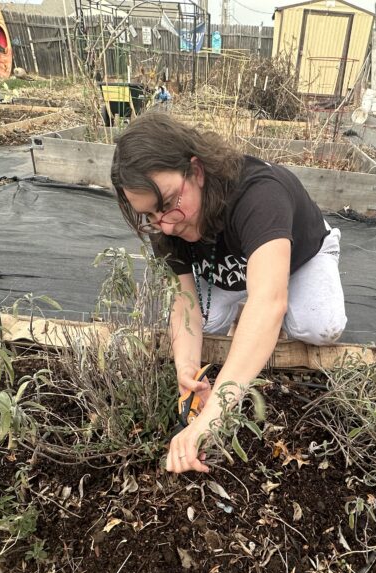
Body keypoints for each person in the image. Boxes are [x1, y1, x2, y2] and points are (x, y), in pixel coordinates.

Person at [110, 112, 347, 474]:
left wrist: (214, 416)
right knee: (210, 327)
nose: (166, 223)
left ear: (197, 171)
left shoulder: (258, 195)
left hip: (299, 257)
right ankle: (246, 315)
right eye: (151, 215)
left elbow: (268, 302)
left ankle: (259, 313)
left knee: (320, 327)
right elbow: (184, 304)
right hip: (229, 271)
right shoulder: (165, 223)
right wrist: (186, 370)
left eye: (172, 203)